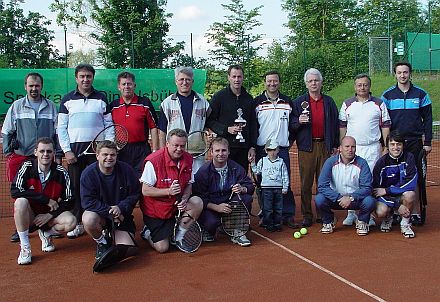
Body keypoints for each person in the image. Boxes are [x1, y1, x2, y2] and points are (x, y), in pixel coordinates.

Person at [1, 72, 60, 243]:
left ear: (42, 87)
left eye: (37, 85)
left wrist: (57, 154)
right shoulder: (16, 106)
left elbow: (56, 133)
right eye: (31, 85)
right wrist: (8, 152)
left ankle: (44, 226)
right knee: (20, 195)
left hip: (44, 159)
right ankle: (22, 228)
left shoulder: (50, 107)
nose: (34, 89)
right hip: (21, 158)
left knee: (45, 191)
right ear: (25, 87)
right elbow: (6, 131)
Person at [58, 63, 113, 239]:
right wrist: (67, 151)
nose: (85, 79)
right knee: (75, 186)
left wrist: (106, 147)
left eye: (88, 76)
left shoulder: (102, 99)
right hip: (75, 152)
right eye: (82, 76)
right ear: (76, 78)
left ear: (92, 78)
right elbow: (61, 128)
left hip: (98, 152)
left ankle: (103, 221)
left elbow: (109, 126)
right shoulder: (67, 100)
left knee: (99, 186)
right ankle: (79, 222)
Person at [381, 62, 432, 225]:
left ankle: (415, 211)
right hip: (396, 144)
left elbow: (428, 119)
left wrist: (428, 141)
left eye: (405, 72)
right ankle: (397, 210)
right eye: (399, 72)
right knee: (395, 177)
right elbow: (383, 122)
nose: (402, 75)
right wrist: (385, 144)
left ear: (410, 73)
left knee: (416, 178)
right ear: (395, 74)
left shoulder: (421, 94)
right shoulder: (387, 96)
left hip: (415, 143)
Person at [11, 137, 76, 265]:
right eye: (42, 151)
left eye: (49, 151)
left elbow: (70, 199)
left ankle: (46, 233)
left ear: (53, 153)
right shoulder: (27, 166)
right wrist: (46, 200)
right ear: (36, 152)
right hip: (31, 215)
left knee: (71, 222)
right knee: (20, 202)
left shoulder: (61, 172)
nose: (45, 154)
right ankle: (25, 247)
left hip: (50, 215)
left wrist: (49, 215)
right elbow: (15, 190)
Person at [339, 73, 391, 227]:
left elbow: (385, 126)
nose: (362, 87)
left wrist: (386, 146)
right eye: (359, 85)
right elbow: (342, 127)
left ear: (370, 86)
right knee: (351, 180)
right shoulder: (347, 104)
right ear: (355, 87)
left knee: (370, 182)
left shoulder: (379, 104)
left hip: (372, 149)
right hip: (353, 149)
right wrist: (342, 146)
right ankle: (351, 213)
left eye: (365, 84)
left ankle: (368, 214)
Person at [140, 128, 203, 253]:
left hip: (175, 208)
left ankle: (179, 236)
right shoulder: (153, 161)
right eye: (175, 145)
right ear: (167, 144)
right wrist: (168, 191)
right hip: (156, 212)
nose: (179, 149)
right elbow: (145, 191)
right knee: (163, 248)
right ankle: (147, 232)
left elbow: (189, 184)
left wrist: (185, 198)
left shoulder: (188, 159)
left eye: (182, 146)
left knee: (197, 202)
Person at [290, 68, 339, 227]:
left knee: (323, 183)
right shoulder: (298, 102)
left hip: (325, 146)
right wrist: (299, 121)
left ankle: (322, 213)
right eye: (310, 81)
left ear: (321, 82)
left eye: (316, 80)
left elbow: (335, 124)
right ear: (306, 83)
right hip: (306, 147)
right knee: (305, 183)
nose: (313, 83)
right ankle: (307, 215)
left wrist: (335, 144)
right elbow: (291, 124)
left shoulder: (329, 101)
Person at [80, 140, 139, 263]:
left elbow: (135, 194)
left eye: (112, 155)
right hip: (101, 215)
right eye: (105, 154)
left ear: (117, 155)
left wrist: (121, 208)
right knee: (88, 219)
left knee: (128, 250)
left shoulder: (126, 170)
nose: (109, 158)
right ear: (97, 156)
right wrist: (110, 211)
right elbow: (88, 202)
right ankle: (102, 241)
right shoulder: (88, 174)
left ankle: (112, 234)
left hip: (122, 216)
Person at [254, 70, 298, 229]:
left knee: (284, 182)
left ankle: (287, 215)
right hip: (262, 150)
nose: (272, 84)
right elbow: (254, 126)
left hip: (282, 150)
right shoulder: (257, 102)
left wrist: (289, 141)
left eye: (275, 81)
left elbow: (294, 125)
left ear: (279, 82)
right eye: (269, 81)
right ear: (265, 82)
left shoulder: (287, 102)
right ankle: (266, 214)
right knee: (263, 184)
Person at [193, 137, 254, 246]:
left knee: (246, 198)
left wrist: (242, 188)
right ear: (211, 152)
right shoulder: (203, 172)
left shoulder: (236, 168)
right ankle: (208, 229)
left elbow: (249, 186)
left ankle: (238, 231)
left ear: (229, 151)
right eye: (217, 150)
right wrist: (216, 207)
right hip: (212, 206)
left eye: (224, 150)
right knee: (211, 223)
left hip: (230, 204)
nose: (220, 154)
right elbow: (198, 197)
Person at [315, 136, 375, 236]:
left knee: (369, 201)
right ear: (340, 148)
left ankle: (362, 222)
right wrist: (339, 197)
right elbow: (322, 186)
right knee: (319, 199)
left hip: (355, 200)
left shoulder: (362, 163)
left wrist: (351, 197)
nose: (350, 150)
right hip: (336, 200)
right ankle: (329, 221)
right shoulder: (330, 162)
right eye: (347, 146)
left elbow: (367, 188)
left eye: (353, 147)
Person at [158, 66, 210, 173]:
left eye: (188, 79)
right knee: (177, 185)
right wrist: (162, 152)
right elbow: (162, 131)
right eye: (181, 79)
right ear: (176, 81)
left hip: (197, 154)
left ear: (192, 81)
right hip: (174, 153)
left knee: (198, 185)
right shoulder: (166, 103)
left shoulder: (203, 102)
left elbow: (208, 126)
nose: (184, 82)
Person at [207, 64, 257, 171]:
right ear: (228, 77)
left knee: (241, 178)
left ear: (243, 78)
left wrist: (252, 146)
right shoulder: (219, 97)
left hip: (243, 148)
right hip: (224, 148)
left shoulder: (249, 99)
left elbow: (253, 124)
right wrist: (226, 129)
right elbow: (210, 121)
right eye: (234, 76)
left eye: (239, 77)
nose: (237, 80)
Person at [109, 71, 159, 176]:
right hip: (120, 150)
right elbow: (109, 128)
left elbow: (153, 127)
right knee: (122, 178)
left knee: (141, 179)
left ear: (134, 86)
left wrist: (155, 151)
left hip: (141, 150)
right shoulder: (113, 106)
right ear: (119, 87)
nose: (126, 87)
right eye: (123, 84)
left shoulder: (144, 103)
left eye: (129, 84)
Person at [372, 131, 418, 238]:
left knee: (410, 195)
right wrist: (397, 205)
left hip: (399, 193)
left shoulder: (409, 158)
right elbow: (376, 192)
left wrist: (388, 190)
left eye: (399, 144)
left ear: (403, 145)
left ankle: (405, 223)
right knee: (381, 211)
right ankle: (388, 217)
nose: (395, 147)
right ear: (387, 146)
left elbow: (411, 182)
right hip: (387, 198)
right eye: (392, 144)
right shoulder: (381, 163)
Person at [250, 139, 288, 232]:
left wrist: (285, 187)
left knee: (278, 208)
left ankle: (277, 224)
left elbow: (285, 175)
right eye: (270, 150)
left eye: (274, 149)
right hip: (266, 189)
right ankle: (268, 224)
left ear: (278, 150)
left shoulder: (281, 162)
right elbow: (257, 171)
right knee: (267, 208)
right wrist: (252, 163)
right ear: (266, 151)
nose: (272, 152)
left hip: (278, 189)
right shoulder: (262, 161)